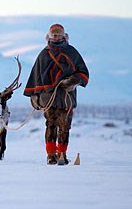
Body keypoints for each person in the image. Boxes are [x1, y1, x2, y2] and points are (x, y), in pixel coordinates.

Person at [23, 24, 89, 165]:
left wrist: (72, 81)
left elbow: (83, 72)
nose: (56, 37)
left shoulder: (72, 52)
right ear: (49, 36)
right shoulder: (44, 54)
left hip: (66, 96)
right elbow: (36, 76)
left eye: (59, 34)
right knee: (51, 124)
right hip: (49, 97)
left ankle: (62, 154)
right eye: (54, 35)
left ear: (64, 35)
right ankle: (51, 155)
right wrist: (35, 96)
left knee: (65, 126)